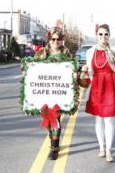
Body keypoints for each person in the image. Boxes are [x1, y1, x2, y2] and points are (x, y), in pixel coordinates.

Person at [82, 24, 115, 162]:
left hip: (110, 86)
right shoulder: (90, 51)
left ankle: (108, 150)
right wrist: (84, 71)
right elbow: (90, 72)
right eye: (100, 34)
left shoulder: (114, 50)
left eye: (106, 34)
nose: (103, 36)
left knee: (109, 119)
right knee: (98, 119)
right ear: (97, 35)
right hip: (97, 86)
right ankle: (101, 147)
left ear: (109, 35)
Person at [34, 27, 71, 160]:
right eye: (53, 39)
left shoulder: (66, 54)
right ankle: (52, 140)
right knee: (48, 120)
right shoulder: (41, 53)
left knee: (55, 118)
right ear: (49, 40)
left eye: (59, 39)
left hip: (59, 93)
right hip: (44, 93)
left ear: (62, 41)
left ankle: (54, 148)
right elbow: (33, 70)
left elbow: (72, 70)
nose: (56, 41)